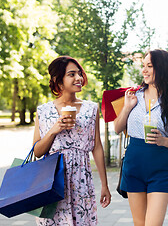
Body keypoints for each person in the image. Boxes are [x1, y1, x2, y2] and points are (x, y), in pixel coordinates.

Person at [114, 49, 168, 226]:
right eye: (143, 66)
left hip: (160, 167)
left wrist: (163, 141)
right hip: (134, 165)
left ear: (162, 68)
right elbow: (118, 128)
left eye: (149, 66)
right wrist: (127, 107)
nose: (144, 70)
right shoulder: (134, 95)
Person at [32, 56, 111, 225]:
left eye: (79, 73)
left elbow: (97, 147)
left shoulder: (91, 108)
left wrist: (105, 184)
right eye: (72, 74)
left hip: (81, 182)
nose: (79, 78)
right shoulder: (44, 111)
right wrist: (54, 130)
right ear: (58, 81)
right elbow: (37, 151)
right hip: (51, 183)